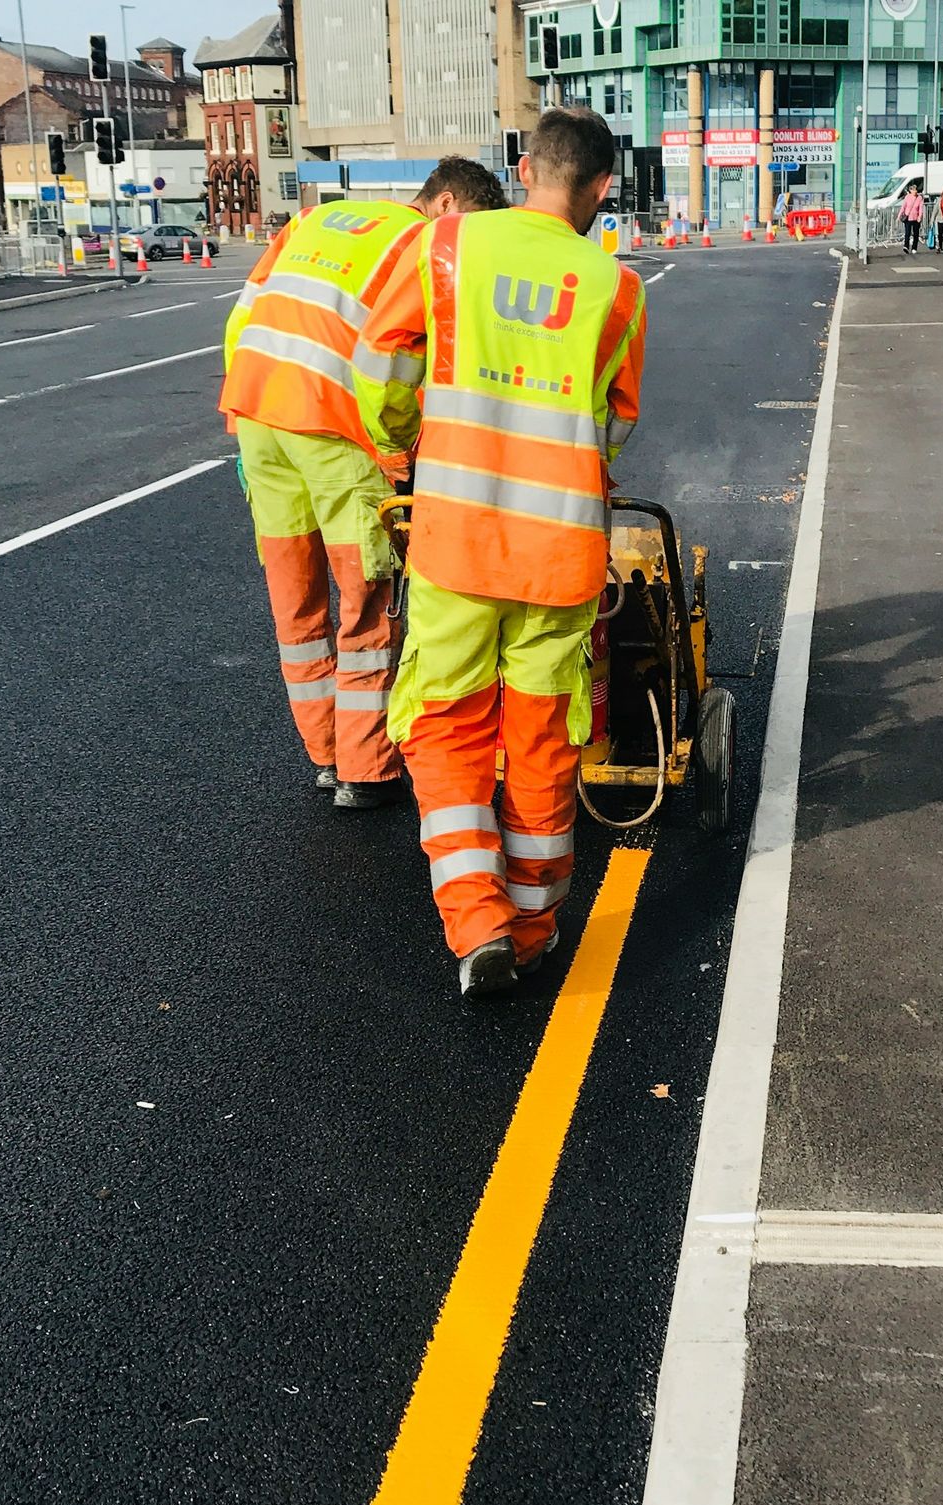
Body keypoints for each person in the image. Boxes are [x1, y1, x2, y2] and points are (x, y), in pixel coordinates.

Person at [352, 108, 646, 998]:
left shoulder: (443, 249)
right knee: (543, 734)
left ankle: (474, 920)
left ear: (523, 169)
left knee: (444, 722)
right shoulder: (617, 288)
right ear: (599, 188)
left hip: (455, 541)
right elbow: (612, 427)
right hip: (557, 554)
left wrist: (405, 446)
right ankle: (531, 928)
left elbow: (380, 369)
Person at [219, 158, 507, 809]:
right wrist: (398, 456)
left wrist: (245, 422)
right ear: (448, 205)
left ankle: (324, 753)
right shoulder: (423, 242)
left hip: (260, 414)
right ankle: (365, 769)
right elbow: (390, 369)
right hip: (332, 426)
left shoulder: (313, 220)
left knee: (295, 604)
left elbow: (240, 322)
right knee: (366, 603)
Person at [901, 182, 925, 254]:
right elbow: (903, 207)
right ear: (910, 190)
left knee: (916, 234)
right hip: (908, 218)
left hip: (916, 218)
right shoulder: (907, 197)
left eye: (916, 190)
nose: (915, 191)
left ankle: (914, 248)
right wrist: (899, 216)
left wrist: (920, 217)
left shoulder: (919, 198)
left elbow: (921, 208)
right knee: (907, 233)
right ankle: (906, 246)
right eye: (914, 190)